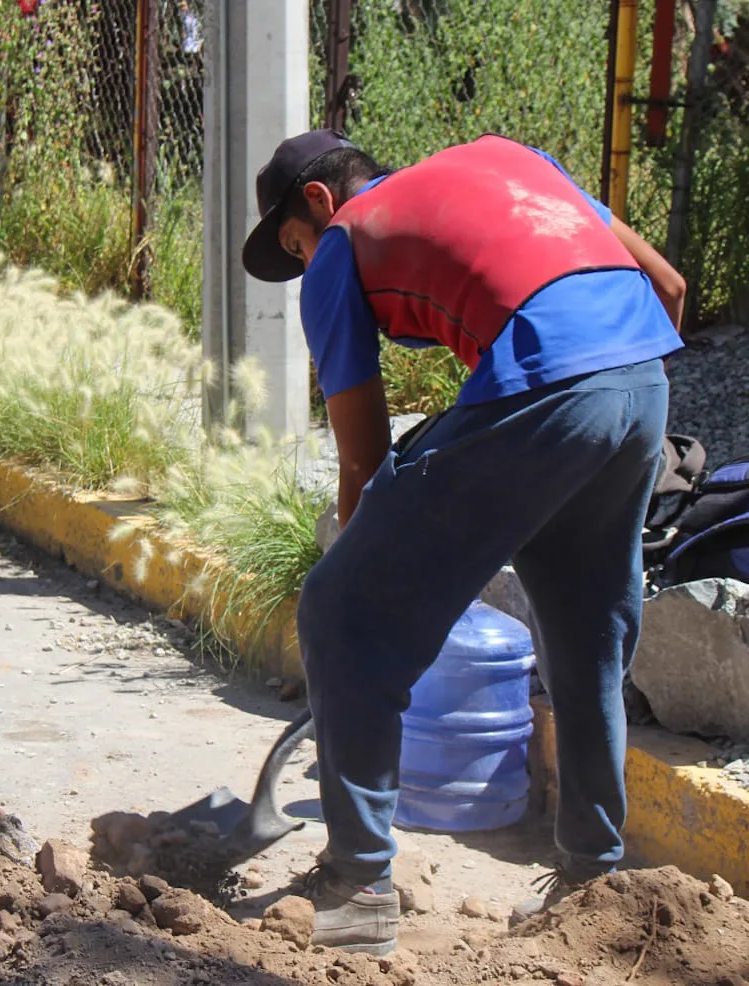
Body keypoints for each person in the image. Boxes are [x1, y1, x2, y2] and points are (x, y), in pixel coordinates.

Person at [241, 131, 686, 957]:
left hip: (548, 382)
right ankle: (597, 891)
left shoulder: (342, 243)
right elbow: (668, 283)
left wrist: (352, 578)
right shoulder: (514, 161)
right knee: (587, 639)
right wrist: (617, 411)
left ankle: (357, 885)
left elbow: (363, 457)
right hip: (642, 378)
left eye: (295, 248)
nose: (306, 266)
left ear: (317, 202)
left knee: (342, 614)